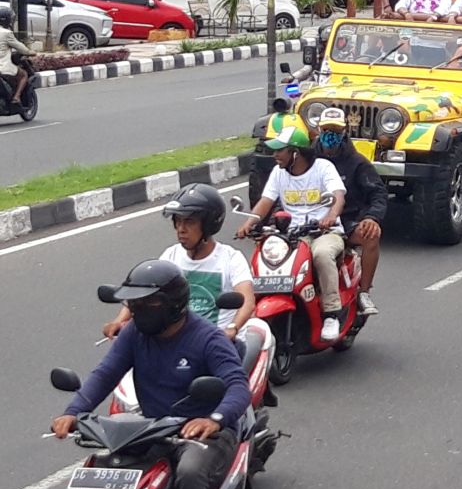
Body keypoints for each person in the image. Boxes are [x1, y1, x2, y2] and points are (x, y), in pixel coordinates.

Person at [52, 260, 252, 489]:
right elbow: (105, 373)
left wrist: (214, 419)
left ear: (173, 305)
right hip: (154, 428)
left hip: (206, 435)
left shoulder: (208, 338)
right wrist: (74, 411)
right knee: (107, 461)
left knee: (190, 471)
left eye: (147, 304)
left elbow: (237, 386)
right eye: (134, 305)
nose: (136, 312)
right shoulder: (134, 333)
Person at [236, 118, 348, 342]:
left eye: (281, 151)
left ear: (295, 153)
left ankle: (332, 313)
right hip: (290, 234)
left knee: (322, 255)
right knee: (263, 258)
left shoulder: (323, 168)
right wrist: (248, 224)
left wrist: (330, 216)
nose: (275, 155)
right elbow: (266, 201)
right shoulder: (279, 173)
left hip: (324, 233)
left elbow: (338, 196)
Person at [102, 184, 255, 343]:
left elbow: (247, 302)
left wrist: (232, 328)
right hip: (177, 343)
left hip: (219, 344)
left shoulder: (231, 259)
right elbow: (145, 292)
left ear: (209, 224)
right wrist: (119, 321)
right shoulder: (171, 256)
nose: (181, 229)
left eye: (189, 222)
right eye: (178, 221)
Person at [313, 108, 387, 316]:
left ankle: (364, 292)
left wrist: (371, 218)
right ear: (319, 130)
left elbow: (378, 193)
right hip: (309, 221)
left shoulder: (358, 162)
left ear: (344, 132)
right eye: (326, 129)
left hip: (346, 221)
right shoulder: (306, 160)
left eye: (335, 130)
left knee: (372, 235)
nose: (330, 135)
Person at [0, 6, 32, 105]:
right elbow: (21, 48)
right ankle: (16, 97)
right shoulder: (6, 33)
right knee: (23, 75)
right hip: (3, 66)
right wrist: (31, 52)